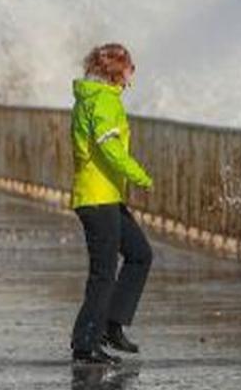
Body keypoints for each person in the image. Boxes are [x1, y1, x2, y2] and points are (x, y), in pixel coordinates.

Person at [68, 43, 154, 365]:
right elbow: (109, 149)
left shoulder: (94, 97)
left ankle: (110, 326)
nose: (134, 72)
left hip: (105, 197)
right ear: (117, 71)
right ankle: (85, 342)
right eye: (130, 66)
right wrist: (140, 176)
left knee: (139, 254)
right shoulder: (102, 100)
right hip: (97, 198)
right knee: (103, 273)